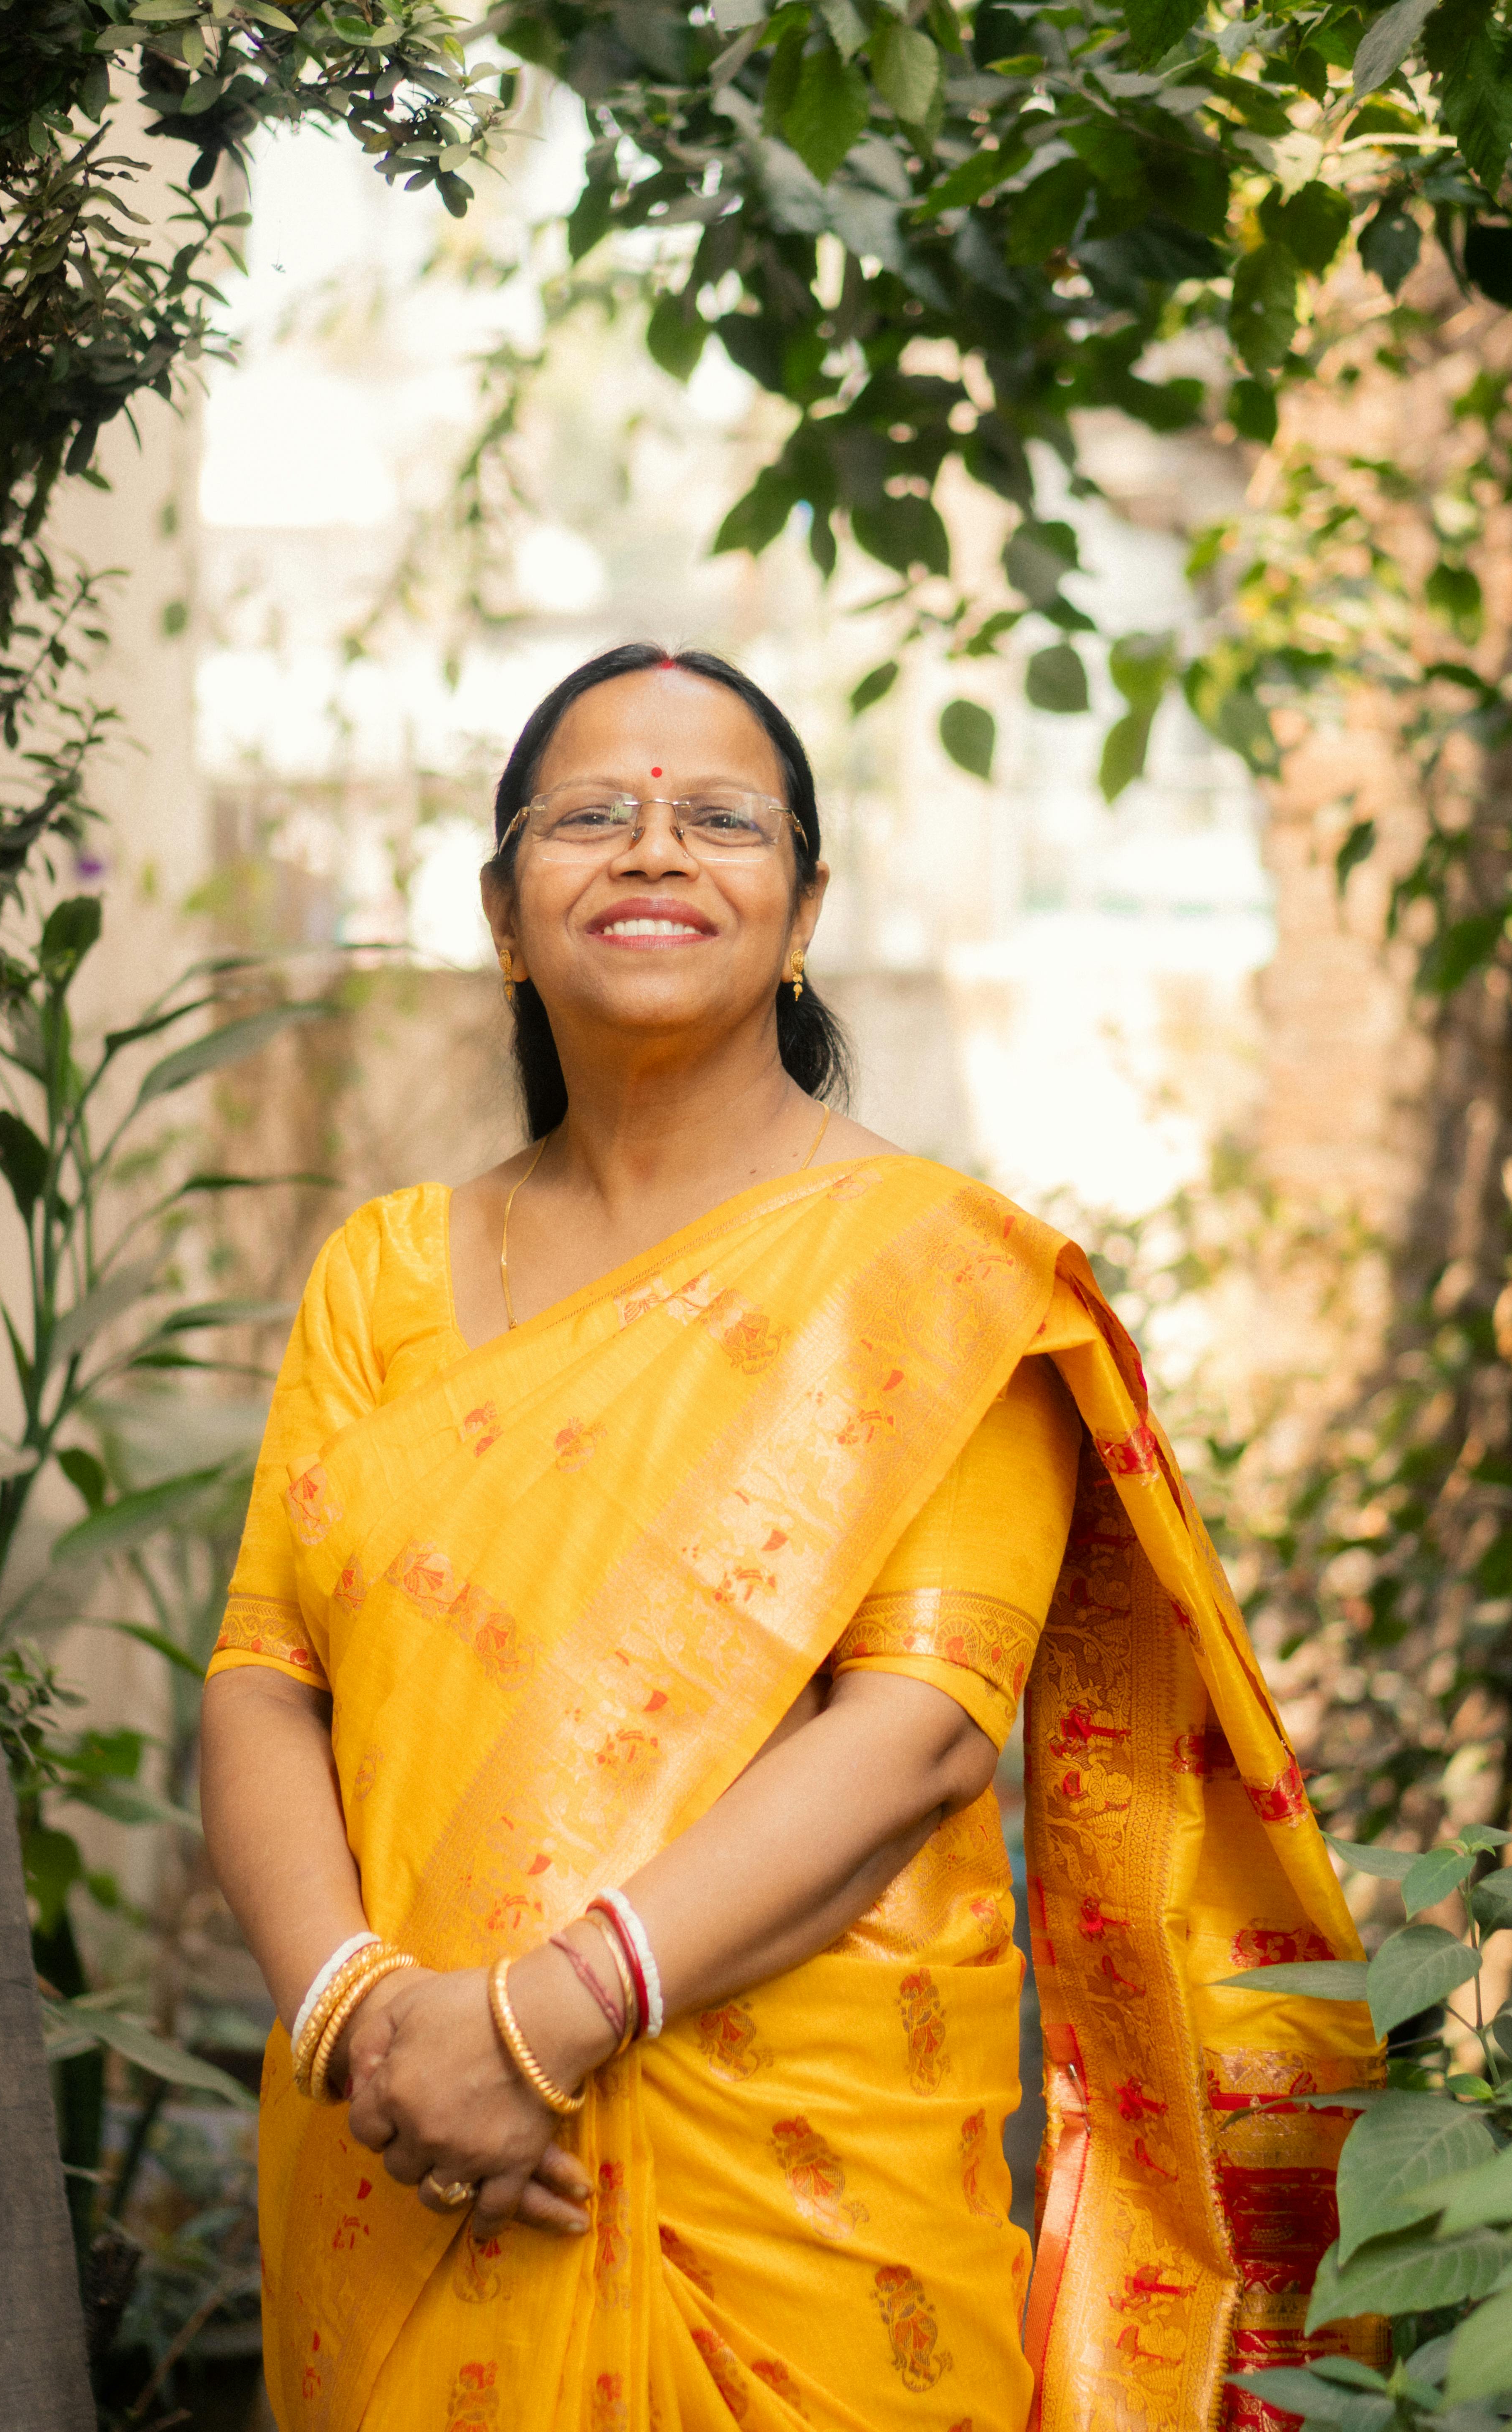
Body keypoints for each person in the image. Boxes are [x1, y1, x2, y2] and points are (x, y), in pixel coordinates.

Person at [201, 645, 1381, 2432]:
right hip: (399, 2142)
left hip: (796, 2195)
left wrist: (534, 2021)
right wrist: (373, 2023)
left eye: (720, 817)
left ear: (803, 902)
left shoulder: (927, 1277)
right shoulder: (384, 1274)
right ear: (504, 913)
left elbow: (910, 1734)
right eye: (588, 813)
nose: (653, 847)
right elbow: (262, 1684)